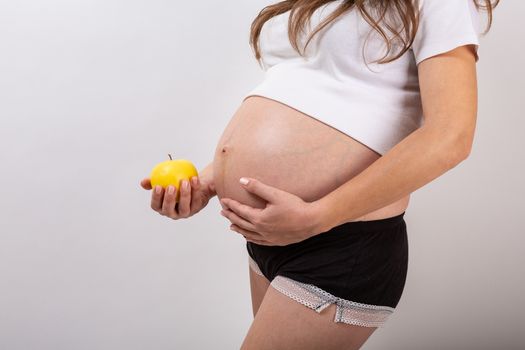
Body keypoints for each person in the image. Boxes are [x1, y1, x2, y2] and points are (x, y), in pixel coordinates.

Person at [141, 0, 498, 349]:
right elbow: (304, 94)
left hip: (341, 242)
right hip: (270, 237)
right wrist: (209, 180)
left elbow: (450, 137)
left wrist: (316, 217)